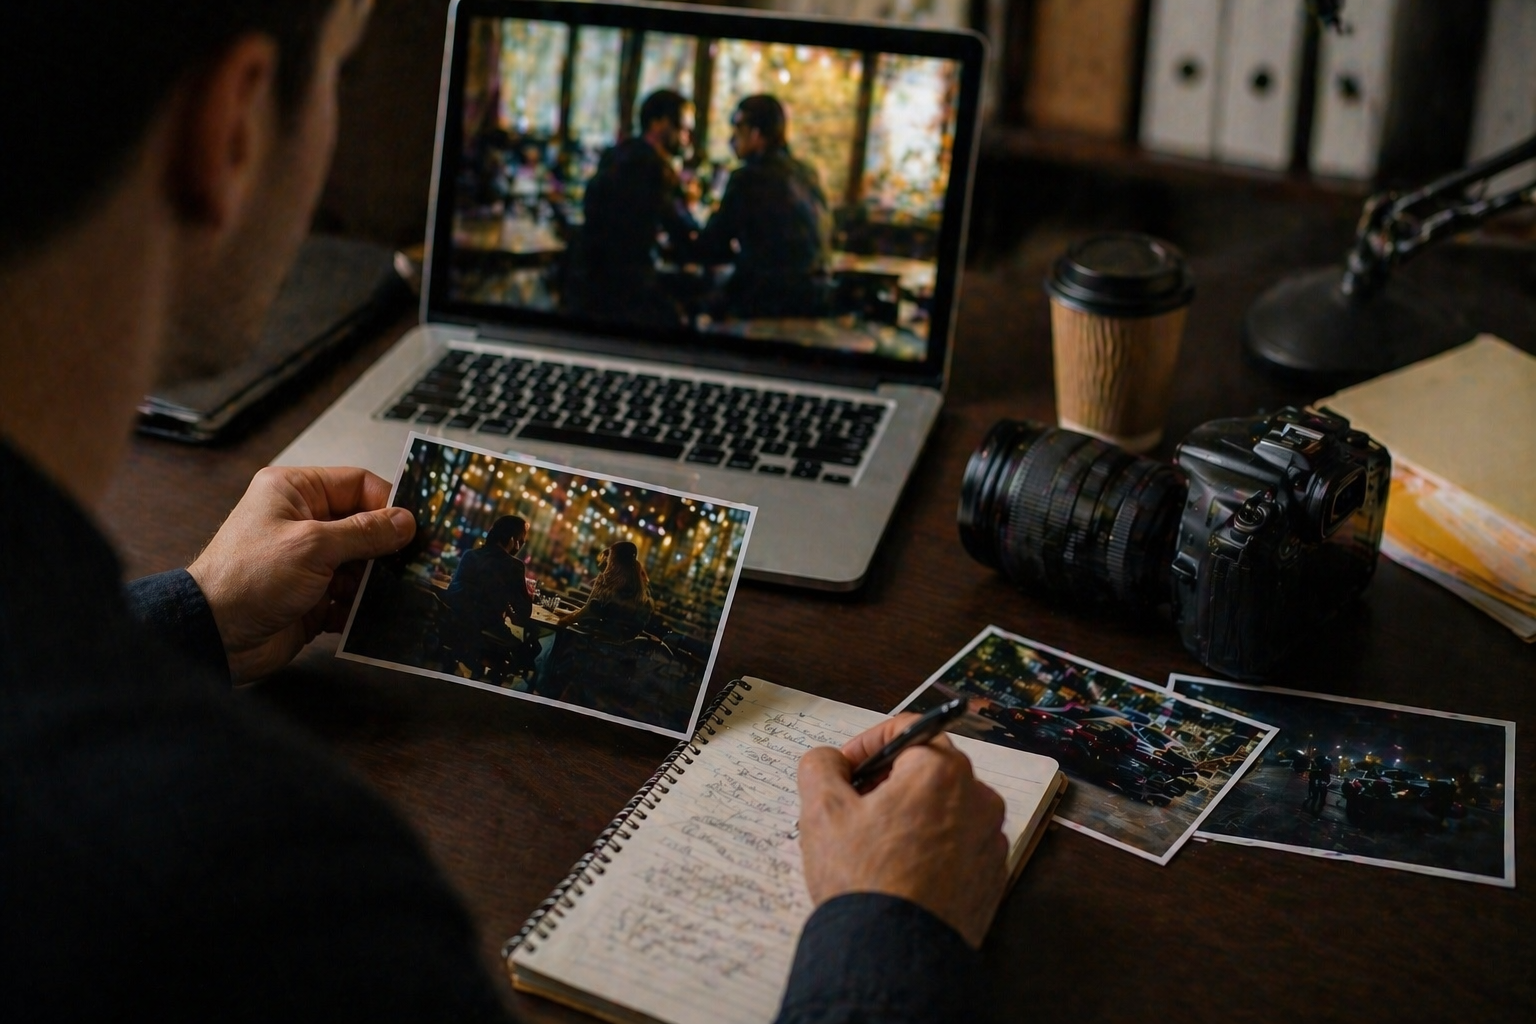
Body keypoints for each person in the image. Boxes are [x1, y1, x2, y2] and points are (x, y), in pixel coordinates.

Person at [0, 3, 1009, 1020]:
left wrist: (193, 615)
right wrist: (889, 933)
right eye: (342, 80)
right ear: (231, 129)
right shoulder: (285, 903)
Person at [570, 88, 700, 328]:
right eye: (683, 129)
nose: (687, 138)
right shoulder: (651, 167)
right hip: (628, 291)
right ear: (658, 123)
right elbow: (682, 232)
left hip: (588, 285)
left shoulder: (617, 154)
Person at [694, 94, 831, 318]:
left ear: (756, 134)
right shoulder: (807, 173)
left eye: (737, 129)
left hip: (766, 299)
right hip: (817, 298)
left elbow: (712, 245)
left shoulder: (748, 178)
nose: (731, 139)